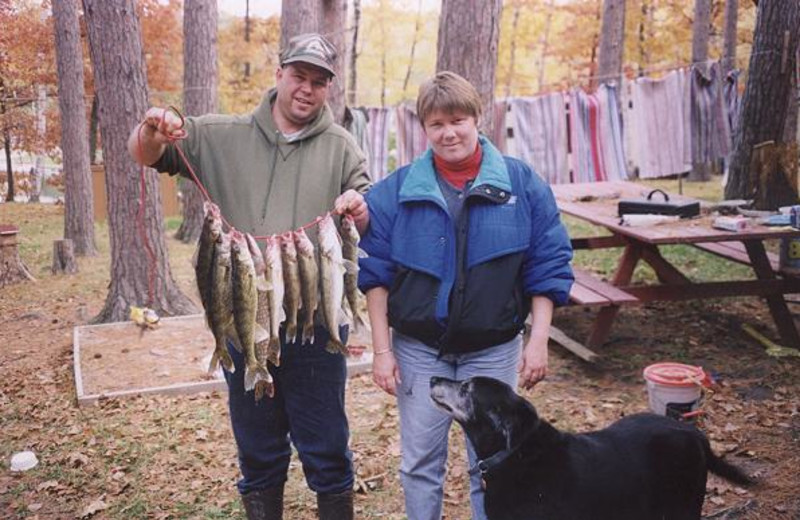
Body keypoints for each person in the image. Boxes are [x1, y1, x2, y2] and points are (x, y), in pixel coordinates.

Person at [127, 33, 369, 520]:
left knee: (327, 445)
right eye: (299, 76)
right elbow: (147, 153)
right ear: (279, 74)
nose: (307, 89)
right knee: (258, 450)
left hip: (316, 323)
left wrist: (358, 209)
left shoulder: (342, 145)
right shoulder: (220, 133)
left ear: (328, 89)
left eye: (319, 82)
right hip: (243, 320)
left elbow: (365, 211)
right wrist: (154, 126)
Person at [358, 71, 574, 520]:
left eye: (458, 119)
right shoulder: (394, 192)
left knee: (491, 463)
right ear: (424, 128)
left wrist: (537, 341)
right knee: (420, 463)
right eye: (436, 123)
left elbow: (548, 264)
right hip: (420, 351)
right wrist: (382, 350)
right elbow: (375, 275)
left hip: (493, 352)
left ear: (479, 118)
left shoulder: (522, 183)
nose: (448, 132)